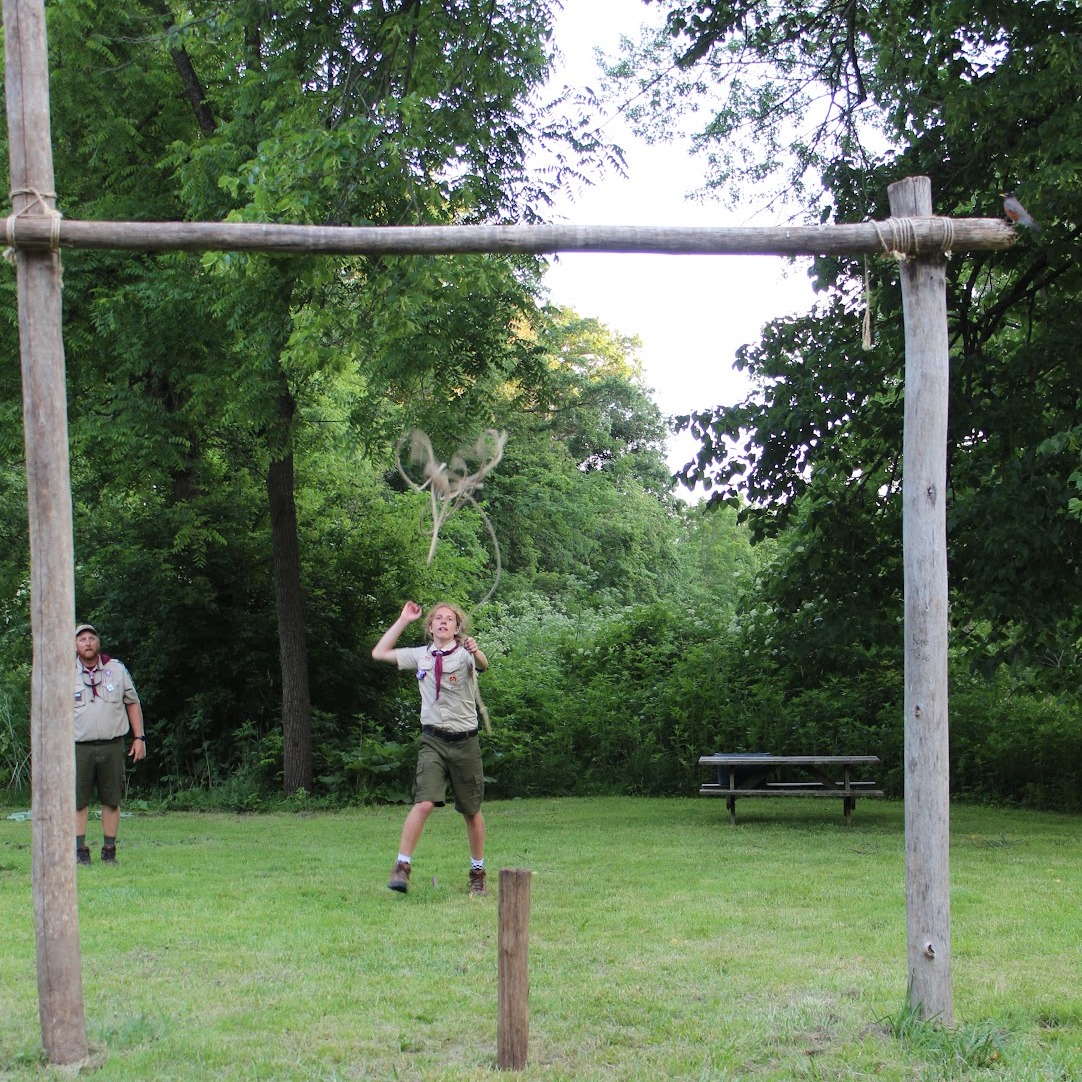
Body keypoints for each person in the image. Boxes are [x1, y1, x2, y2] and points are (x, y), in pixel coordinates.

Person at [372, 600, 489, 895]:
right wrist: (402, 620)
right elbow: (379, 653)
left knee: (471, 810)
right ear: (430, 626)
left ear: (457, 627)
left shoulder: (464, 655)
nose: (443, 622)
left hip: (465, 741)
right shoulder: (420, 656)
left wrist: (476, 650)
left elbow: (483, 664)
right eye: (438, 618)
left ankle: (477, 873)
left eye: (449, 619)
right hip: (433, 741)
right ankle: (402, 867)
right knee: (423, 803)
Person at [74, 623, 145, 865]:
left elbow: (132, 702)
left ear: (98, 642)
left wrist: (140, 738)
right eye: (82, 639)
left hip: (112, 745)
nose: (87, 643)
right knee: (77, 801)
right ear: (75, 645)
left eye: (91, 638)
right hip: (77, 747)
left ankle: (109, 851)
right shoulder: (64, 672)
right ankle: (79, 851)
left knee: (112, 800)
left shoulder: (116, 669)